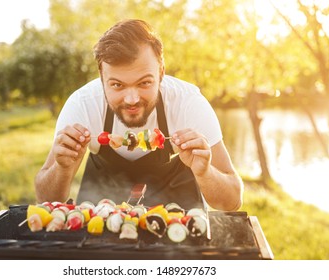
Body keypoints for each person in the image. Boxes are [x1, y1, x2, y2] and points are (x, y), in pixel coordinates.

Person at [35, 19, 243, 211]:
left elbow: (232, 202)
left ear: (161, 72)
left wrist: (205, 173)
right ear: (101, 76)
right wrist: (62, 169)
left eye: (144, 83)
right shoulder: (83, 105)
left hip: (177, 218)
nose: (131, 99)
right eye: (117, 85)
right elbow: (45, 200)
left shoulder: (187, 103)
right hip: (101, 216)